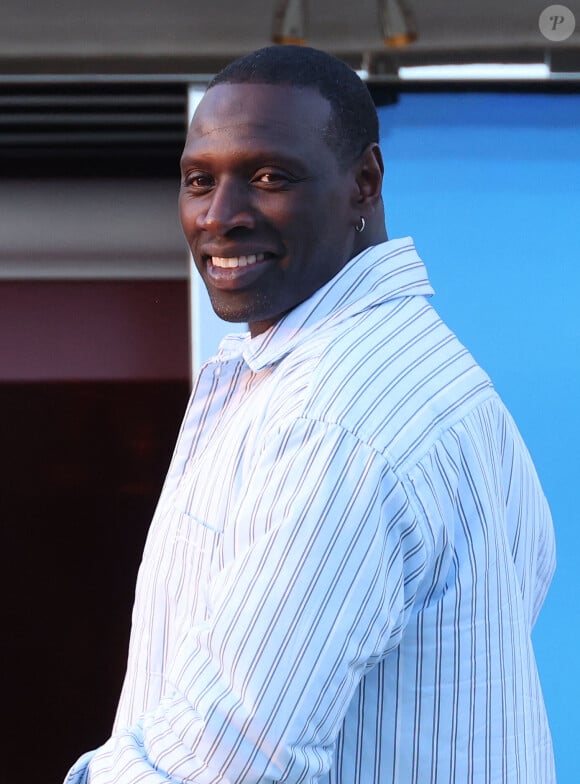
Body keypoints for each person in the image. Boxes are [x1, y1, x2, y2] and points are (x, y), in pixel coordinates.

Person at [65, 45, 556, 783]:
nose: (219, 217)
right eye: (200, 181)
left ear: (365, 182)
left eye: (268, 177)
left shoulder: (335, 419)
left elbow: (226, 756)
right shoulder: (431, 375)